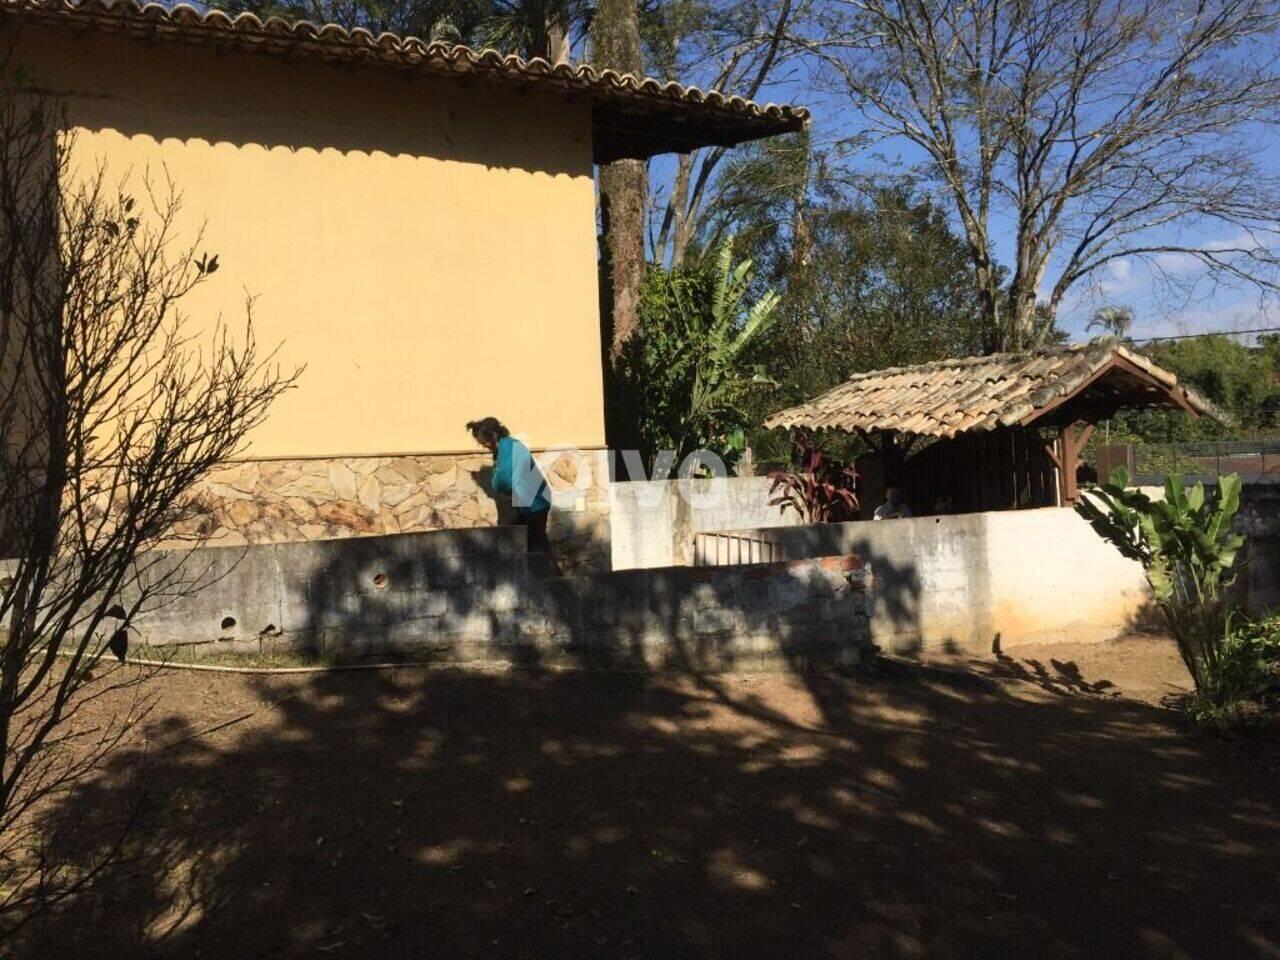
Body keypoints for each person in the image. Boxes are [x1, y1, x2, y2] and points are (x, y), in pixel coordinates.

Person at [466, 417, 551, 553]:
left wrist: (495, 481)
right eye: (481, 443)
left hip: (535, 503)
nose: (484, 445)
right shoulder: (501, 450)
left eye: (484, 441)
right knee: (530, 545)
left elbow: (505, 480)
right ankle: (543, 571)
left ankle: (549, 573)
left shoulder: (510, 447)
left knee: (536, 545)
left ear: (494, 435)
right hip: (526, 502)